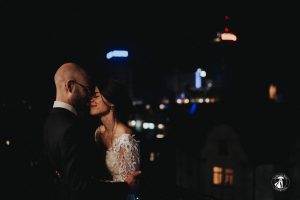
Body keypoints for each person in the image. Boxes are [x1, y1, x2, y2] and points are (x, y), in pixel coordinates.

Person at [43, 62, 140, 200]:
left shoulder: (52, 121)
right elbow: (80, 184)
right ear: (70, 86)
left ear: (111, 100)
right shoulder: (74, 128)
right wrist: (124, 186)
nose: (89, 98)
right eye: (86, 90)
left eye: (95, 94)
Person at [89, 78, 140, 200]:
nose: (91, 100)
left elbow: (131, 186)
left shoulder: (125, 138)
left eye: (96, 96)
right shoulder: (98, 132)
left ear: (111, 102)